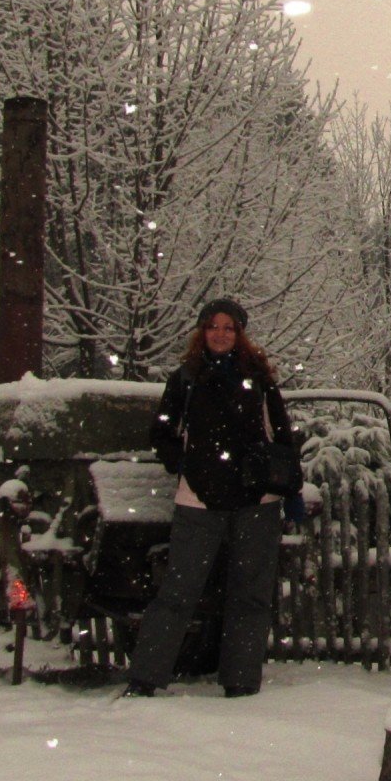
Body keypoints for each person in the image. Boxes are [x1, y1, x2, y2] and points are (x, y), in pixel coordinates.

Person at [127, 298, 295, 698]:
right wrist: (185, 465)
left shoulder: (259, 378)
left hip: (257, 501)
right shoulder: (186, 378)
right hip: (198, 501)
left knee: (250, 594)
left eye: (229, 327)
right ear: (202, 331)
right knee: (177, 592)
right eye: (214, 326)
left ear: (240, 334)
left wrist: (289, 489)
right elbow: (163, 433)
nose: (221, 334)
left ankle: (240, 682)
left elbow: (283, 438)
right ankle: (146, 678)